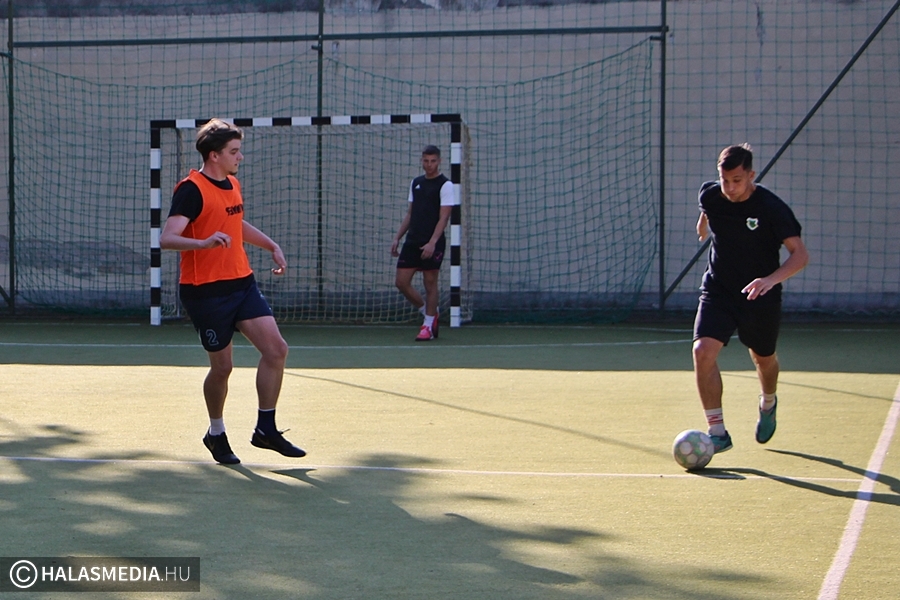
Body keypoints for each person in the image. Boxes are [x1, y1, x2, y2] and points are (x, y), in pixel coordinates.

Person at [159, 118, 305, 465]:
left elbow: (234, 223)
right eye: (234, 151)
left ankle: (265, 429)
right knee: (223, 367)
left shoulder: (232, 183)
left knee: (276, 350)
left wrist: (271, 245)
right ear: (214, 155)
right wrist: (203, 242)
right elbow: (167, 238)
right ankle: (216, 432)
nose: (240, 157)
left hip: (241, 283)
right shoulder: (191, 190)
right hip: (205, 291)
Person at [692, 143, 809, 454]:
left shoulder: (772, 209)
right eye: (724, 180)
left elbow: (800, 255)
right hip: (718, 290)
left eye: (737, 180)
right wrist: (703, 225)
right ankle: (717, 432)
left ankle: (768, 402)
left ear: (751, 175)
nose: (730, 188)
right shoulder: (711, 195)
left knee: (763, 359)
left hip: (760, 295)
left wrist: (769, 280)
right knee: (702, 351)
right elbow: (707, 208)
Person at [391, 145, 455, 341]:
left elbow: (444, 218)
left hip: (432, 242)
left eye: (433, 161)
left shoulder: (446, 185)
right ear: (422, 161)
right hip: (413, 240)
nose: (429, 165)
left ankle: (427, 326)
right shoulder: (416, 183)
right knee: (401, 282)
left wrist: (432, 242)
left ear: (439, 161)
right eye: (426, 161)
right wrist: (398, 237)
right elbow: (411, 214)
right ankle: (429, 312)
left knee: (430, 282)